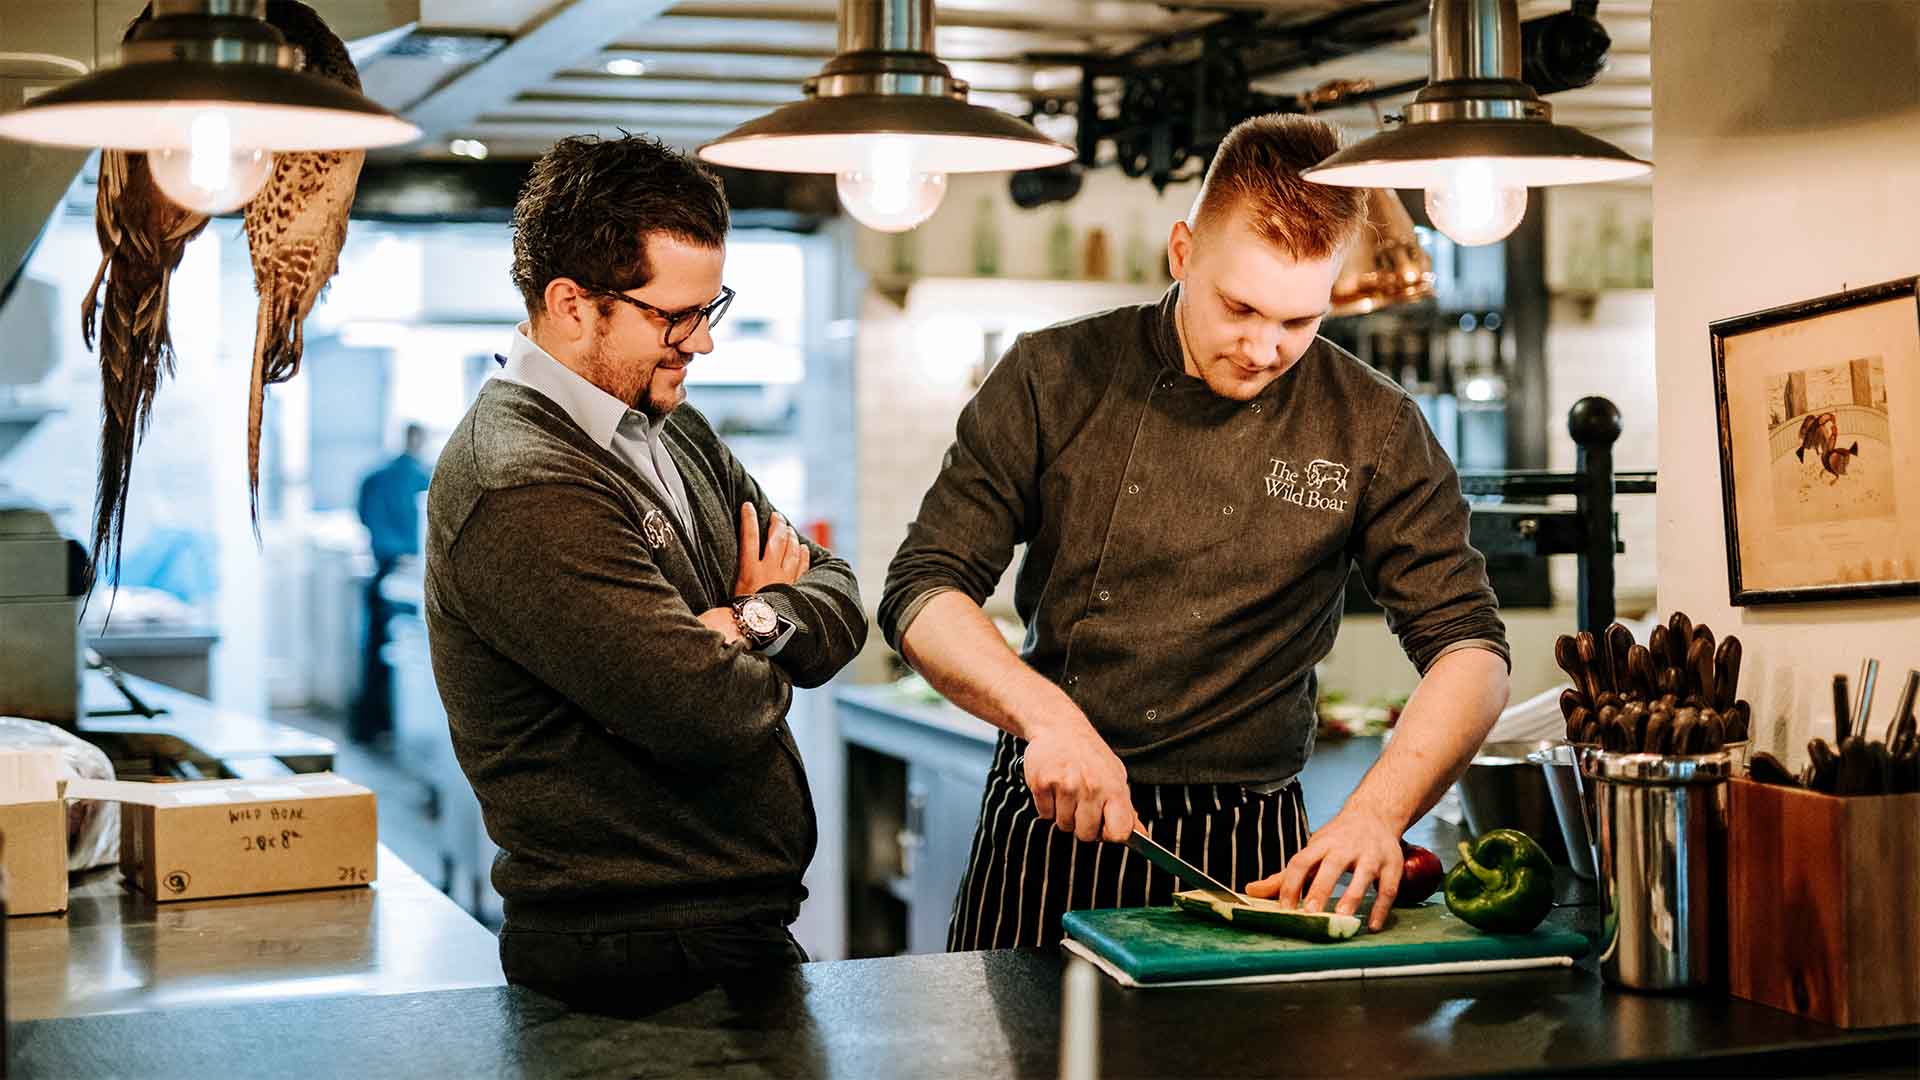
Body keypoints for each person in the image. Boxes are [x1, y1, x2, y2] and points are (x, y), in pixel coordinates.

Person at [878, 114, 1511, 951]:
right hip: (1053, 819)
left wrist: (1374, 815)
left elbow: (1472, 650)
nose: (1263, 347)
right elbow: (923, 588)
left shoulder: (1374, 426)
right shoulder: (1052, 375)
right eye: (1239, 307)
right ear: (1182, 253)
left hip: (1249, 843)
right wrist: (1047, 719)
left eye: (1299, 321)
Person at [424, 133, 866, 1009]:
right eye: (673, 317)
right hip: (627, 958)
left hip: (726, 933)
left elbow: (841, 597)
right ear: (571, 304)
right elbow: (698, 707)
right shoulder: (521, 481)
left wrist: (749, 619)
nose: (700, 343)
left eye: (712, 307)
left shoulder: (674, 428)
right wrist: (756, 639)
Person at [352, 422, 431, 744]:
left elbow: (364, 516)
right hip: (404, 574)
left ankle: (369, 727)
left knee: (374, 652)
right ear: (419, 441)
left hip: (380, 571)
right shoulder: (421, 478)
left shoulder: (375, 476)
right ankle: (385, 726)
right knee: (394, 655)